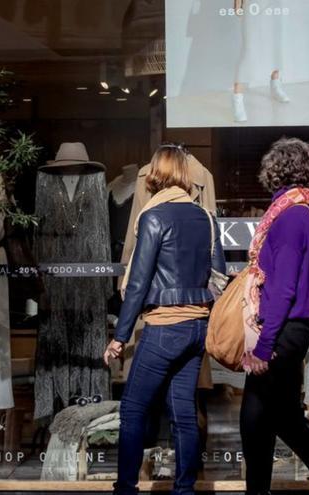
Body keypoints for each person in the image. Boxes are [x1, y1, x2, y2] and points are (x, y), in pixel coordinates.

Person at [104, 144, 226, 495]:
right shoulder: (205, 218)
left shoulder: (153, 217)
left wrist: (119, 336)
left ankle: (125, 488)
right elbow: (217, 276)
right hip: (196, 328)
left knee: (132, 411)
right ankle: (184, 489)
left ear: (156, 173)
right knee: (183, 412)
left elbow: (138, 282)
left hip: (163, 328)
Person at [239, 138, 309, 495]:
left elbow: (285, 288)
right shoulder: (304, 211)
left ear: (276, 171)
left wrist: (263, 346)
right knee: (286, 419)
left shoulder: (289, 217)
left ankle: (259, 492)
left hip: (283, 330)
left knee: (254, 420)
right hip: (292, 329)